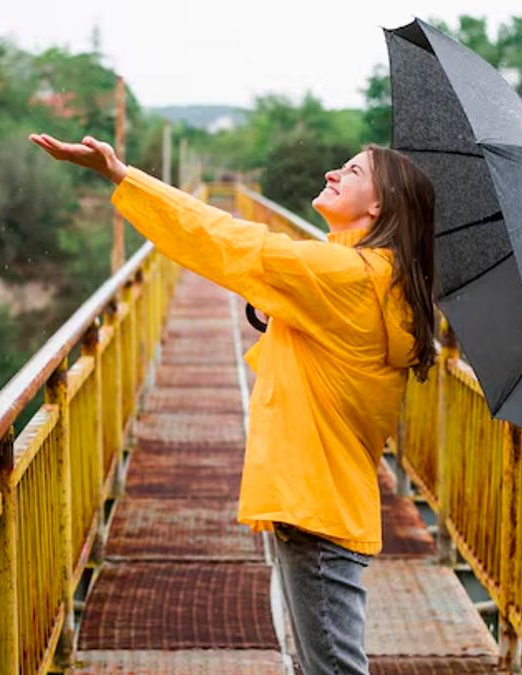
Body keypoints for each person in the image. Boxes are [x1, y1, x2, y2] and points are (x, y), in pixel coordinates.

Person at [29, 133, 438, 675]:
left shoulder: (346, 277)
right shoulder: (374, 279)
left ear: (380, 205)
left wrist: (122, 176)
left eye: (353, 172)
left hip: (315, 501)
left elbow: (228, 239)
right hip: (326, 494)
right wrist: (277, 306)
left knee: (334, 669)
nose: (332, 175)